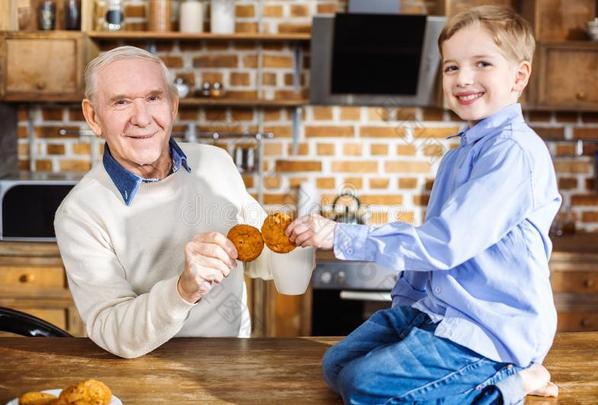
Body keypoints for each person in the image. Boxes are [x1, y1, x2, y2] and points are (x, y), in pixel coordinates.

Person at [287, 6, 560, 404]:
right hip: (437, 316)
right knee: (337, 365)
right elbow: (430, 258)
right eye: (452, 67)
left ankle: (516, 380)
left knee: (366, 386)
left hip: (490, 331)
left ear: (519, 76)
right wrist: (404, 313)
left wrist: (339, 232)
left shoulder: (514, 153)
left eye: (482, 63)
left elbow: (444, 243)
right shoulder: (457, 156)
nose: (463, 79)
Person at [54, 46, 276, 359]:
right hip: (145, 373)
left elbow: (262, 255)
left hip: (233, 363)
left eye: (153, 98)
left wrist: (298, 240)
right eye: (121, 102)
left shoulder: (216, 163)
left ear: (172, 105)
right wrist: (183, 290)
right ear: (93, 116)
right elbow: (113, 331)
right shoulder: (79, 212)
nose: (142, 118)